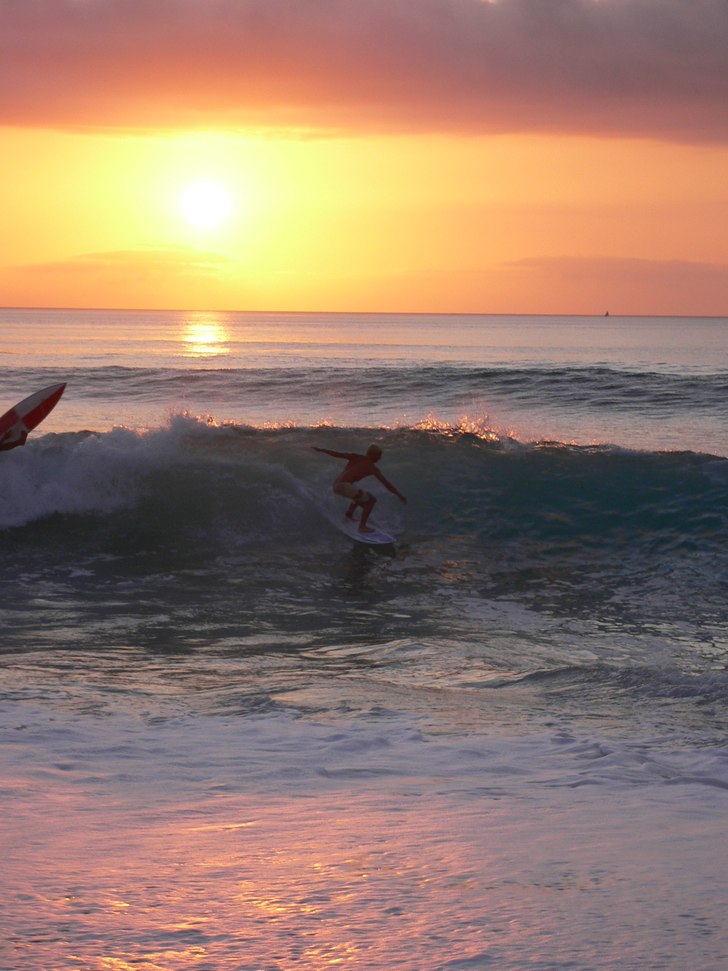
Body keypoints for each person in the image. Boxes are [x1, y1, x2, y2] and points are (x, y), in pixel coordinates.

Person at [312, 443, 407, 533]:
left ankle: (349, 516)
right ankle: (362, 527)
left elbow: (338, 454)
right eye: (378, 456)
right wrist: (399, 495)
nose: (379, 458)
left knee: (359, 494)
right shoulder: (371, 467)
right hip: (344, 486)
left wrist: (321, 450)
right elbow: (386, 484)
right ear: (372, 454)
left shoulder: (356, 457)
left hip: (337, 485)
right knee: (371, 500)